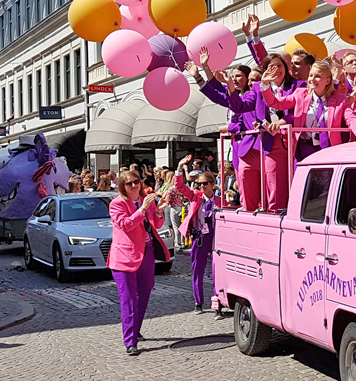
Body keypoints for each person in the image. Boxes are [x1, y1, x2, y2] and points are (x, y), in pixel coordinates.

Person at [201, 53, 302, 212]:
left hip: (294, 140)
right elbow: (239, 106)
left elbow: (298, 111)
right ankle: (270, 214)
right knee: (266, 183)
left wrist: (281, 123)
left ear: (286, 67)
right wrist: (229, 84)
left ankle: (281, 213)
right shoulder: (258, 88)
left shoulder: (298, 86)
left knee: (283, 184)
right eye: (271, 67)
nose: (276, 70)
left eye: (279, 66)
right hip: (270, 141)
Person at [107, 169, 170, 356]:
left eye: (136, 181)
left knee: (144, 293)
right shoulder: (117, 204)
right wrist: (142, 209)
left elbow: (156, 224)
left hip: (146, 254)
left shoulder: (146, 200)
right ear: (123, 187)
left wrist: (159, 211)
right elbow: (126, 225)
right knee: (129, 299)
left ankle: (135, 329)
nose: (134, 185)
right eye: (129, 183)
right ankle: (130, 341)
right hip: (124, 258)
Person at [261, 60, 351, 163]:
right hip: (305, 149)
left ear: (327, 81)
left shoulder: (340, 98)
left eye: (317, 76)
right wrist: (265, 84)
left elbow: (351, 119)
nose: (312, 79)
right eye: (311, 75)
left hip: (329, 148)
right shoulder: (300, 94)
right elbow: (275, 103)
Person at [173, 158, 224, 315]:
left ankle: (218, 303)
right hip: (200, 237)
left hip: (216, 238)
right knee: (197, 270)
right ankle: (198, 302)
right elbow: (180, 186)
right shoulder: (195, 196)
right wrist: (180, 168)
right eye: (199, 184)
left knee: (218, 270)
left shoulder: (220, 201)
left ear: (212, 184)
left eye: (204, 184)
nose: (201, 187)